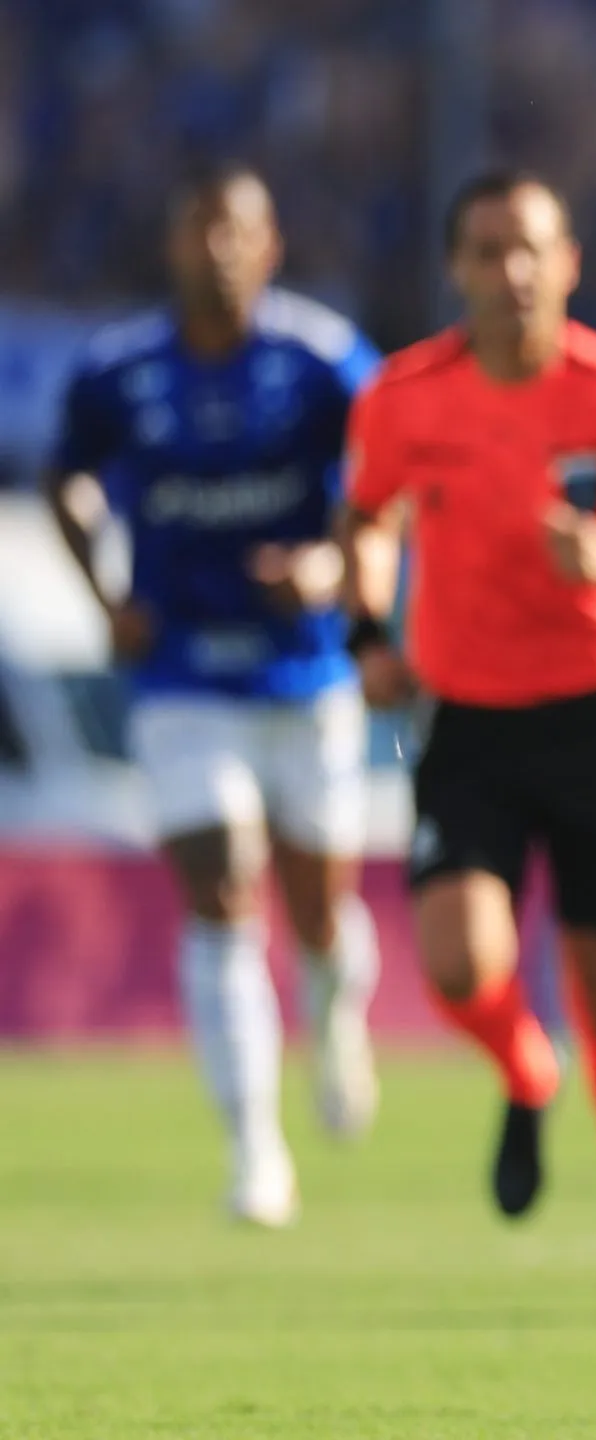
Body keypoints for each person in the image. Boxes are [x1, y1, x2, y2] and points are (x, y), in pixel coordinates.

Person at [338, 170, 596, 1294]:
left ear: (567, 262)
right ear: (455, 270)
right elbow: (366, 521)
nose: (510, 271)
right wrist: (366, 633)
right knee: (457, 964)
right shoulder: (404, 397)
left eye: (529, 248)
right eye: (486, 250)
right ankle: (526, 1066)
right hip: (464, 711)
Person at [46, 163, 383, 1228]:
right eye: (199, 228)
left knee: (318, 909)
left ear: (270, 245)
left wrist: (334, 569)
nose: (218, 248)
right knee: (222, 887)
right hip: (183, 672)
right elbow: (67, 477)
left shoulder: (323, 358)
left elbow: (390, 481)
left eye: (236, 229)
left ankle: (336, 1016)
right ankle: (255, 1150)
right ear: (173, 245)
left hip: (303, 668)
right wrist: (105, 596)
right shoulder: (118, 370)